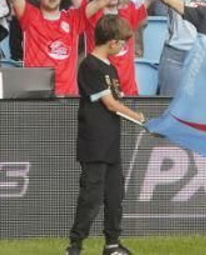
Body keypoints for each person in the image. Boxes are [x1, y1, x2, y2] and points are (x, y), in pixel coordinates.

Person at [68, 13, 143, 255]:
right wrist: (138, 117)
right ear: (112, 42)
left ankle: (112, 244)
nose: (122, 48)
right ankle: (75, 246)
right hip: (94, 143)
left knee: (114, 195)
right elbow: (110, 104)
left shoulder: (110, 68)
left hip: (111, 142)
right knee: (91, 196)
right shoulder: (90, 66)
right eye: (122, 43)